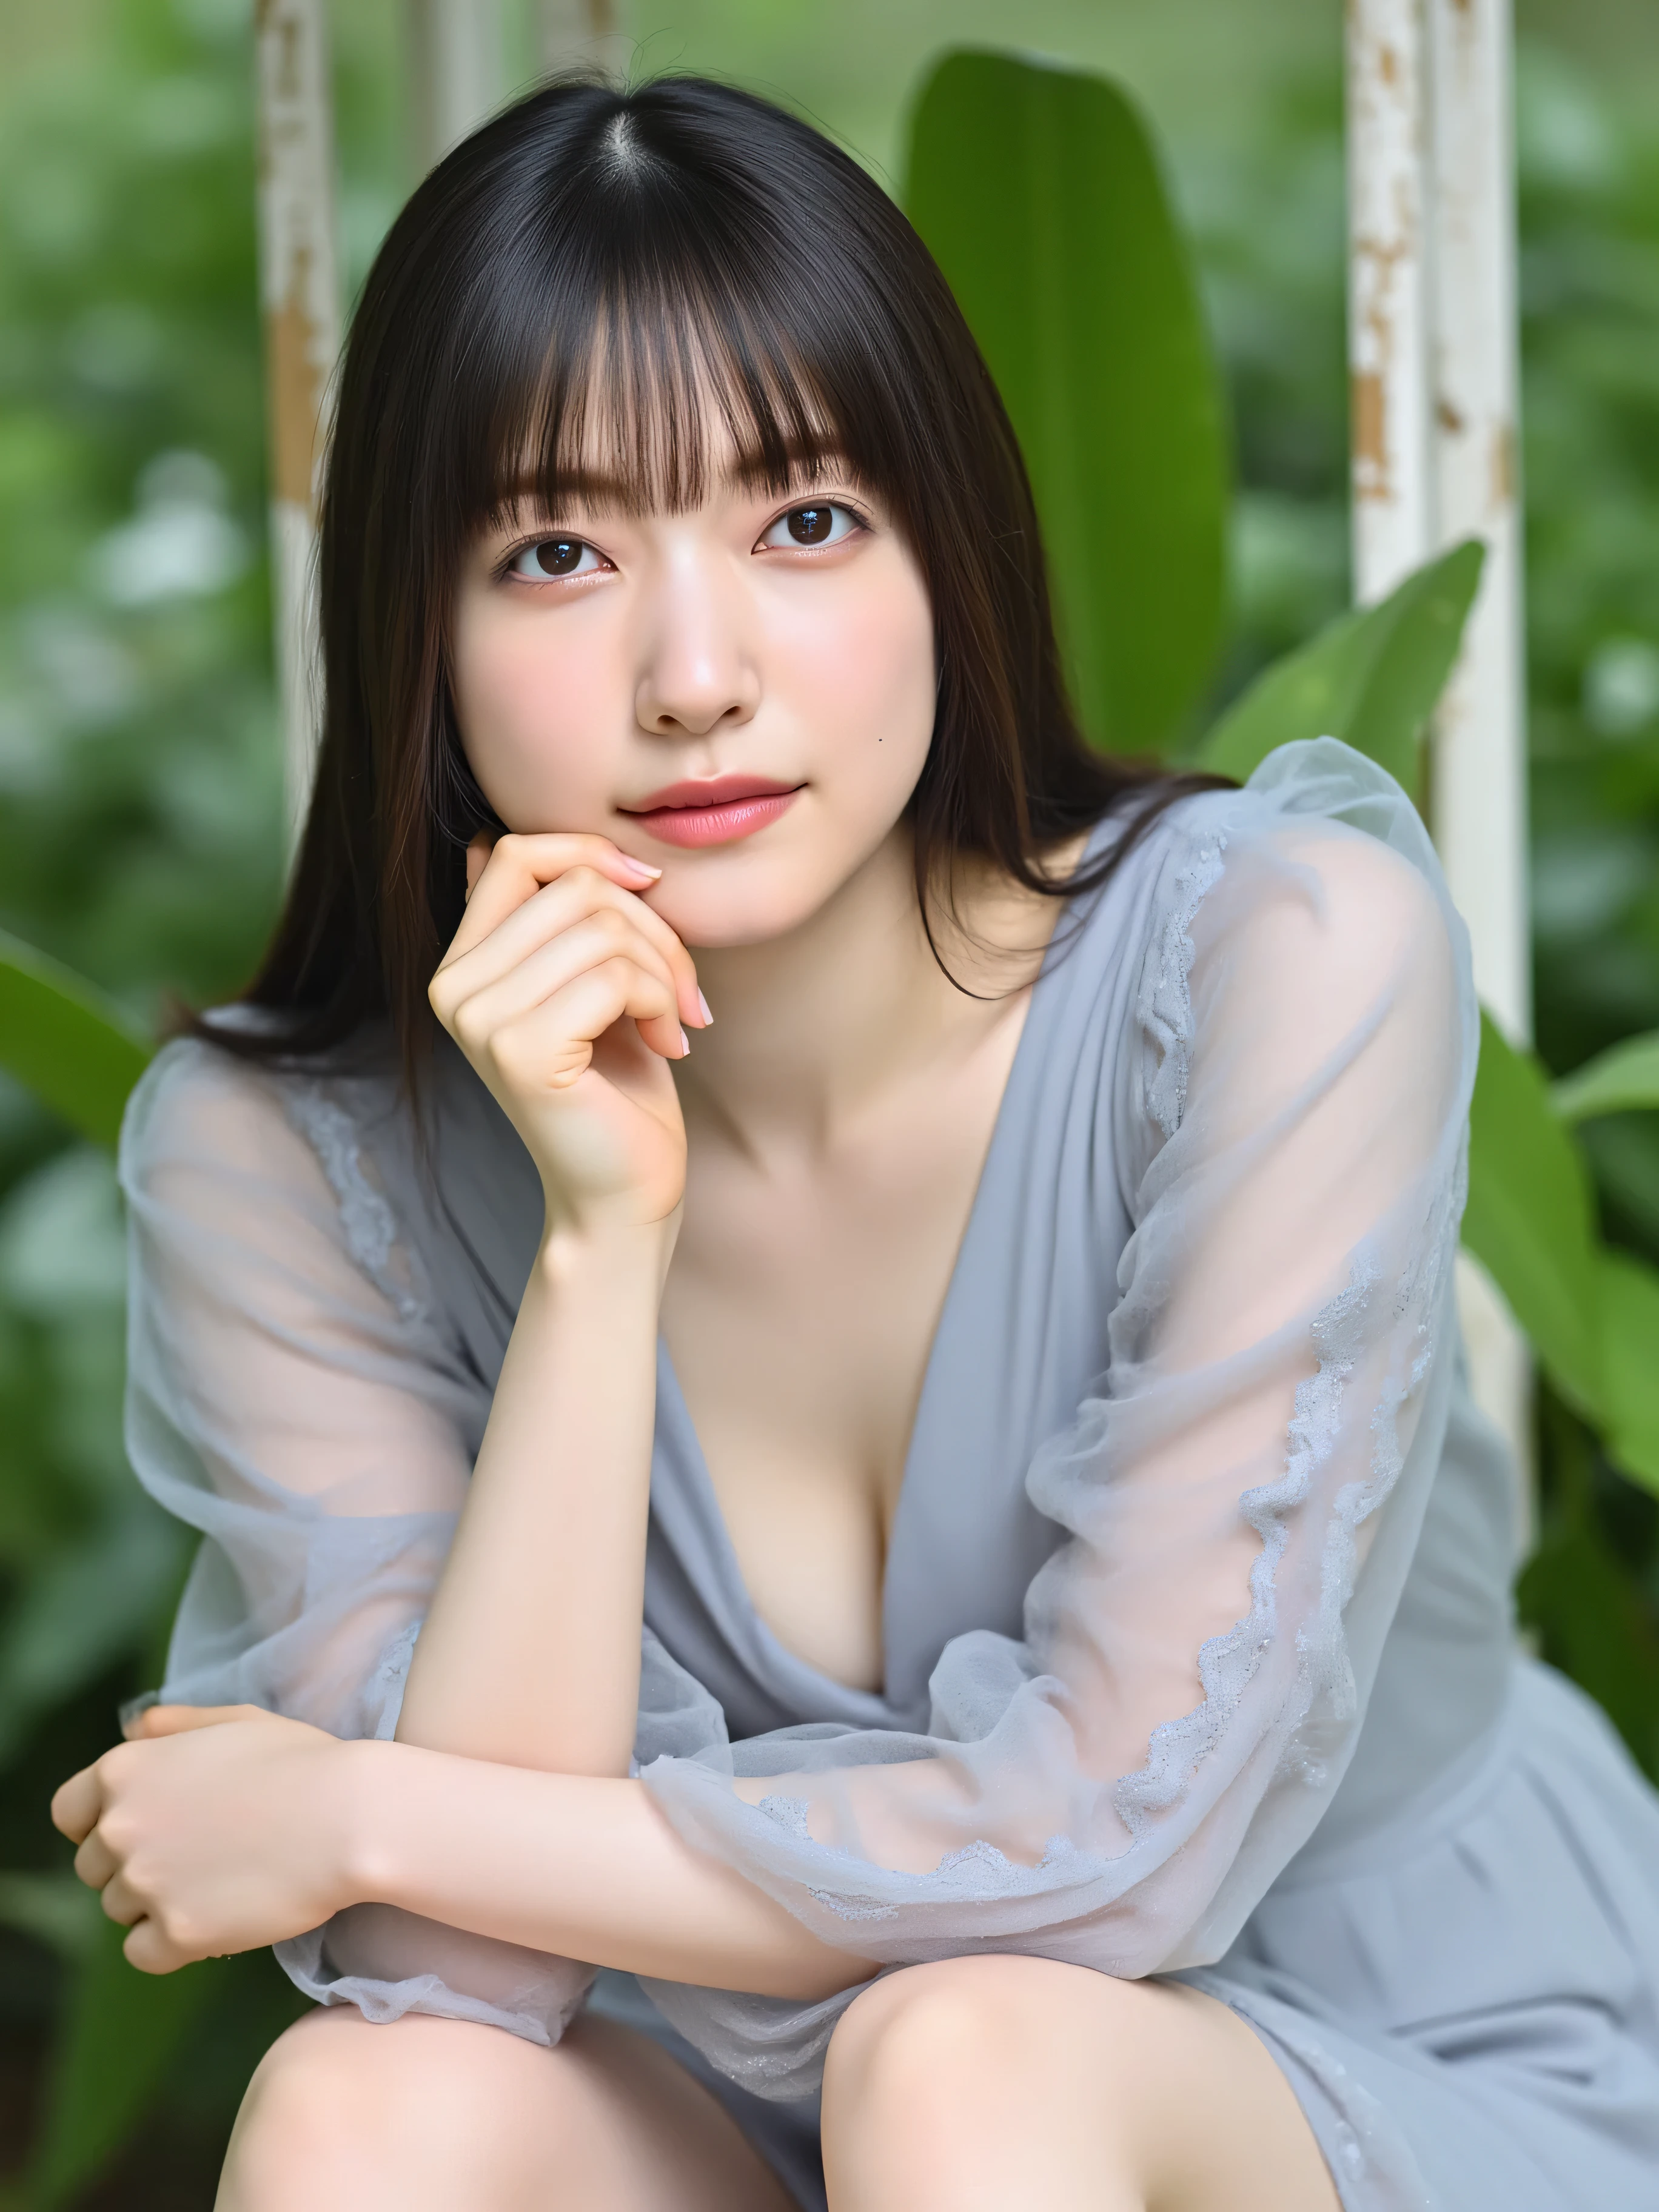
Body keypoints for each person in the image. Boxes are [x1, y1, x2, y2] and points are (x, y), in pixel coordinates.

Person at [49, 75, 1659, 2212]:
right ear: (415, 641)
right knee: (371, 2114)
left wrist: (353, 1816)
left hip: (1374, 2066)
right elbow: (459, 1979)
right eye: (554, 550)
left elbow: (1124, 1855)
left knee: (967, 2059)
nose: (696, 673)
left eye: (805, 521)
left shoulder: (1273, 965)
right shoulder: (280, 1158)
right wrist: (596, 1251)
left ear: (948, 550)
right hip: (723, 2109)